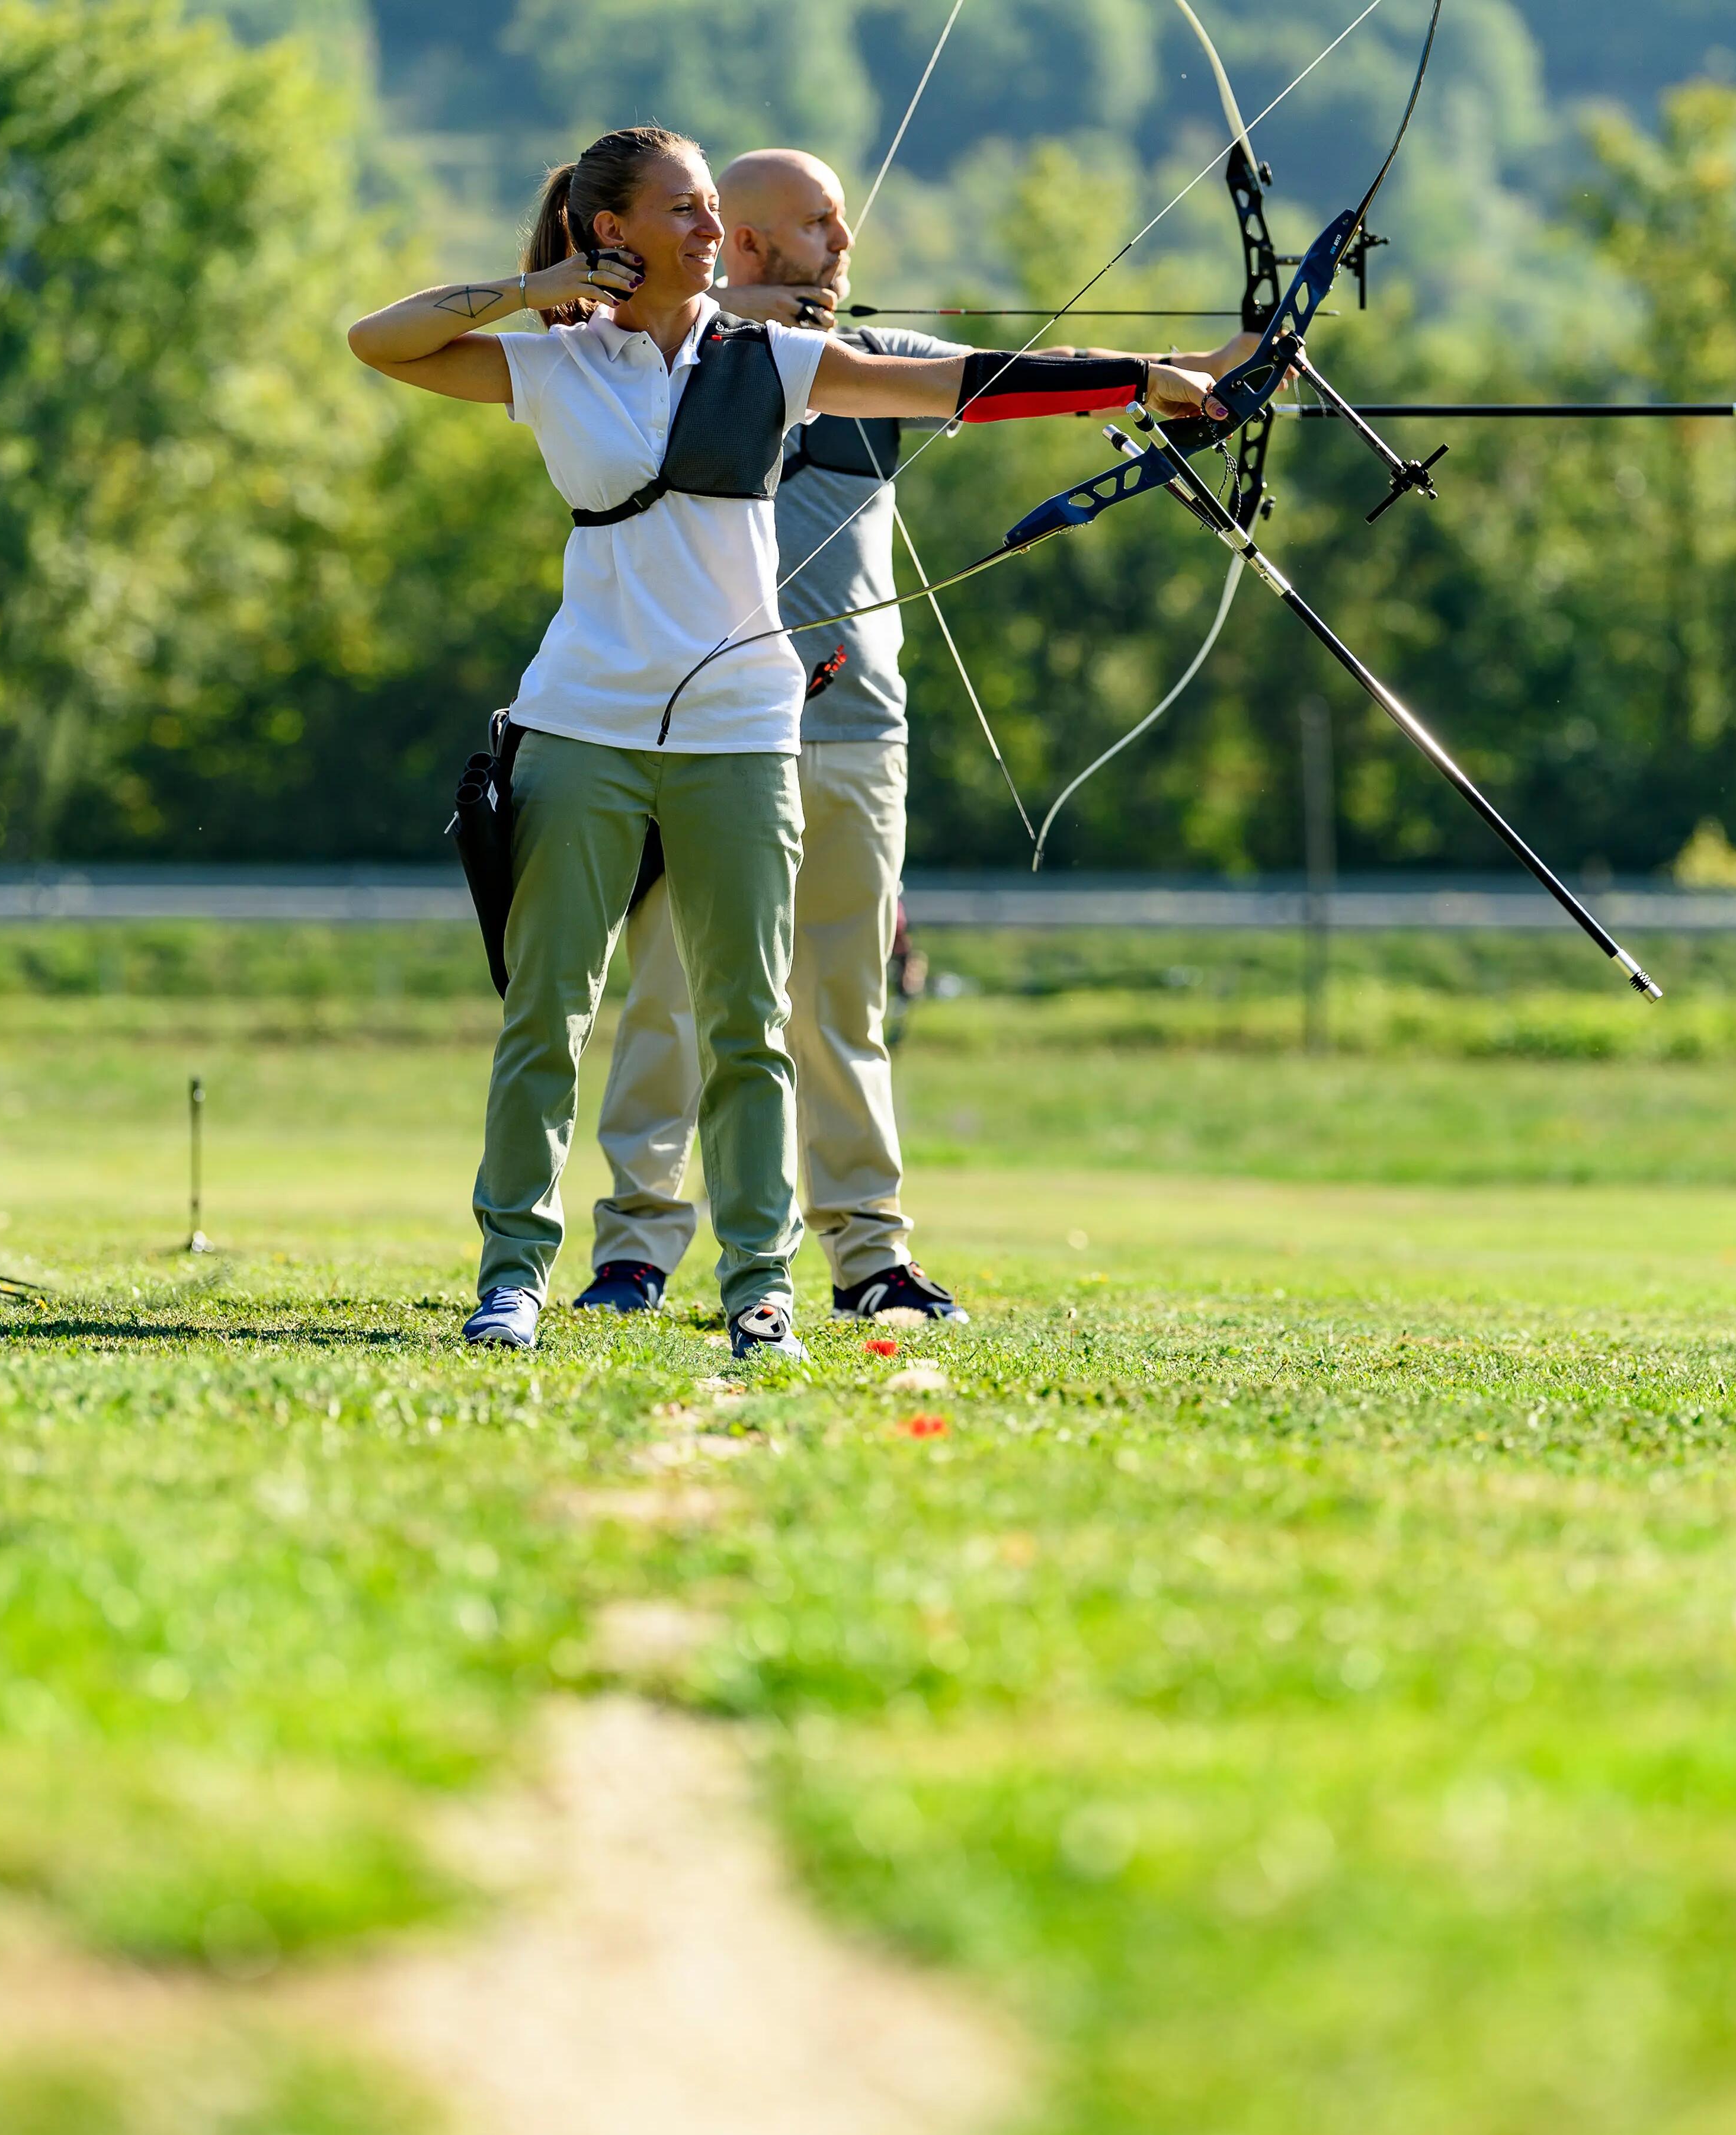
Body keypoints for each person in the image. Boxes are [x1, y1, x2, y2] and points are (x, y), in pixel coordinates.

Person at [346, 126, 1221, 1358]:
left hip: (743, 729)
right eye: (685, 211)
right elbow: (380, 340)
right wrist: (538, 294)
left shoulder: (769, 360)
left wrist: (1136, 376)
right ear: (612, 234)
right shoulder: (557, 366)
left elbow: (958, 379)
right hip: (581, 720)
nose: (712, 231)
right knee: (548, 1012)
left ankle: (758, 1283)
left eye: (715, 210)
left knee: (749, 1019)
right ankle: (513, 1275)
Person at [575, 148, 1258, 1328]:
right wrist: (732, 318)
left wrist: (1211, 368)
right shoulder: (650, 356)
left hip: (854, 730)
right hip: (704, 732)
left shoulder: (868, 368)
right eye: (819, 227)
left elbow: (1007, 378)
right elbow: (594, 330)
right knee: (674, 994)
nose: (844, 246)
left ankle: (866, 1257)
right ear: (745, 244)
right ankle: (635, 1249)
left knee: (841, 1003)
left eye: (842, 224)